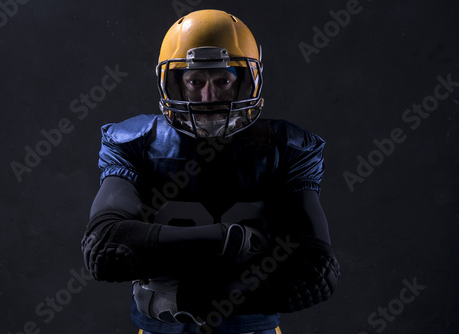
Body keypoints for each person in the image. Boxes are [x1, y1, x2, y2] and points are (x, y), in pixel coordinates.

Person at [81, 9, 340, 334]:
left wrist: (200, 296)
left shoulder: (284, 146)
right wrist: (233, 240)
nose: (209, 97)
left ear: (245, 82)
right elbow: (106, 246)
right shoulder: (136, 141)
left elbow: (316, 270)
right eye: (195, 81)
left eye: (223, 81)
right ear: (174, 83)